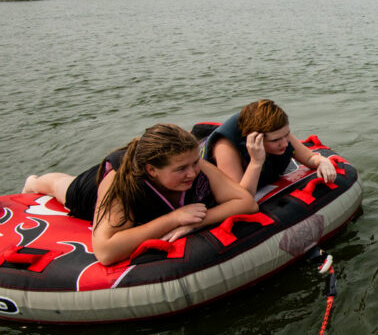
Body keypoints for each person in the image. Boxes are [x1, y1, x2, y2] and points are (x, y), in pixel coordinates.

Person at [22, 124, 257, 265]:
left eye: (195, 162)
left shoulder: (193, 164)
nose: (192, 172)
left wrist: (197, 221)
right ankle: (33, 181)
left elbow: (246, 202)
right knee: (63, 188)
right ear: (151, 170)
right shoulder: (120, 184)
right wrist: (174, 219)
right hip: (90, 192)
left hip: (155, 196)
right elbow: (105, 251)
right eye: (181, 169)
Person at [202, 99, 337, 196]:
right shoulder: (225, 147)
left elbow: (309, 157)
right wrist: (256, 162)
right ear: (255, 139)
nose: (285, 143)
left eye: (287, 135)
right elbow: (241, 198)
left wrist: (322, 161)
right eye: (276, 140)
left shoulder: (278, 132)